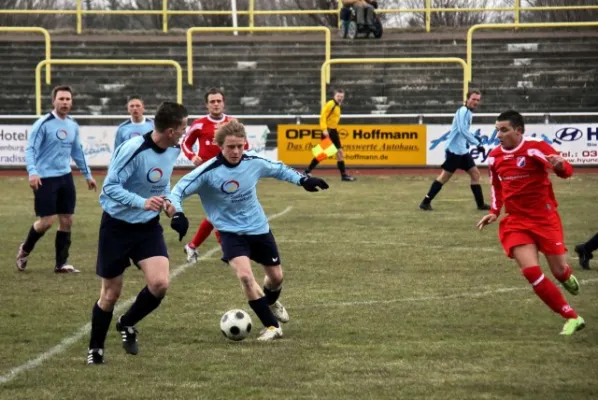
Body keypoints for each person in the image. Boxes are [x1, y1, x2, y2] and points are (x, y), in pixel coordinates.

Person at [166, 120, 329, 342]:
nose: (236, 151)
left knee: (276, 278)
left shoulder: (253, 162)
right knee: (245, 276)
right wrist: (178, 213)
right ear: (219, 146)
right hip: (229, 232)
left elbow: (279, 169)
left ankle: (270, 302)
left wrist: (304, 180)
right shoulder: (207, 171)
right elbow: (177, 191)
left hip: (258, 228)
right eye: (231, 147)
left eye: (240, 146)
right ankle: (272, 326)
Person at [87, 101, 188, 365]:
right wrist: (141, 202)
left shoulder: (172, 150)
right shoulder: (134, 150)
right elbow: (109, 187)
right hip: (116, 227)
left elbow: (161, 184)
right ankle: (95, 349)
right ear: (169, 130)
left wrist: (170, 208)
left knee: (160, 284)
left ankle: (127, 322)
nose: (184, 133)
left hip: (147, 228)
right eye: (182, 128)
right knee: (110, 294)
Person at [477, 110, 584, 336]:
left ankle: (565, 275)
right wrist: (495, 211)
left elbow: (566, 170)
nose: (499, 134)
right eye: (497, 129)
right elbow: (496, 187)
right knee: (531, 272)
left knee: (558, 271)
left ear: (518, 131)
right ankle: (571, 316)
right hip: (516, 221)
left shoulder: (536, 147)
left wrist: (559, 166)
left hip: (544, 219)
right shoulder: (494, 157)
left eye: (504, 130)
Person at [16, 85, 97, 273]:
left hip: (65, 176)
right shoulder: (43, 124)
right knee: (46, 222)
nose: (65, 102)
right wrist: (32, 172)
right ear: (54, 101)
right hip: (45, 178)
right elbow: (30, 149)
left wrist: (88, 175)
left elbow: (77, 151)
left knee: (67, 220)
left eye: (68, 99)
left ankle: (61, 264)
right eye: (61, 99)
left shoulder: (72, 125)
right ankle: (25, 249)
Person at [181, 88, 247, 263]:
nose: (216, 104)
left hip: (229, 173)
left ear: (223, 103)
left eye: (219, 101)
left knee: (222, 210)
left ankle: (193, 246)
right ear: (207, 104)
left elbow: (243, 145)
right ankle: (226, 249)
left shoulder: (232, 122)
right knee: (219, 209)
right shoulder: (200, 123)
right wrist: (192, 156)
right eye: (212, 101)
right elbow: (185, 143)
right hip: (208, 175)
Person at [420, 89, 490, 211]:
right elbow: (462, 130)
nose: (476, 102)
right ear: (467, 99)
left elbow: (464, 131)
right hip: (454, 151)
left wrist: (474, 137)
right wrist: (477, 143)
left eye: (478, 100)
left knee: (475, 174)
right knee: (444, 177)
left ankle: (480, 204)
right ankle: (425, 202)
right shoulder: (462, 111)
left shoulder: (468, 112)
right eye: (473, 99)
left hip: (462, 151)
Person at [304, 88, 355, 181]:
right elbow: (322, 117)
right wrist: (324, 129)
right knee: (323, 154)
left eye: (342, 96)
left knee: (340, 153)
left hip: (334, 131)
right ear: (334, 96)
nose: (340, 98)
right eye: (338, 96)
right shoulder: (331, 104)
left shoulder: (337, 106)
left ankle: (344, 175)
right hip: (328, 131)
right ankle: (307, 171)